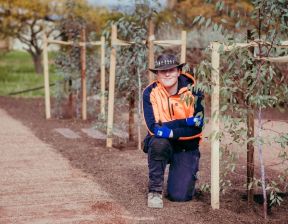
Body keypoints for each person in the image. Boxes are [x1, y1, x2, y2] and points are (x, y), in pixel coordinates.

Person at [142, 54, 204, 208]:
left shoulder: (194, 91)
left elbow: (197, 127)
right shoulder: (150, 93)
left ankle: (182, 176)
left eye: (171, 70)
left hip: (187, 146)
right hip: (163, 143)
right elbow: (153, 128)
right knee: (157, 142)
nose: (167, 74)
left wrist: (171, 132)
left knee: (179, 196)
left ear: (179, 71)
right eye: (163, 71)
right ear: (157, 74)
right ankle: (155, 191)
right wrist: (186, 122)